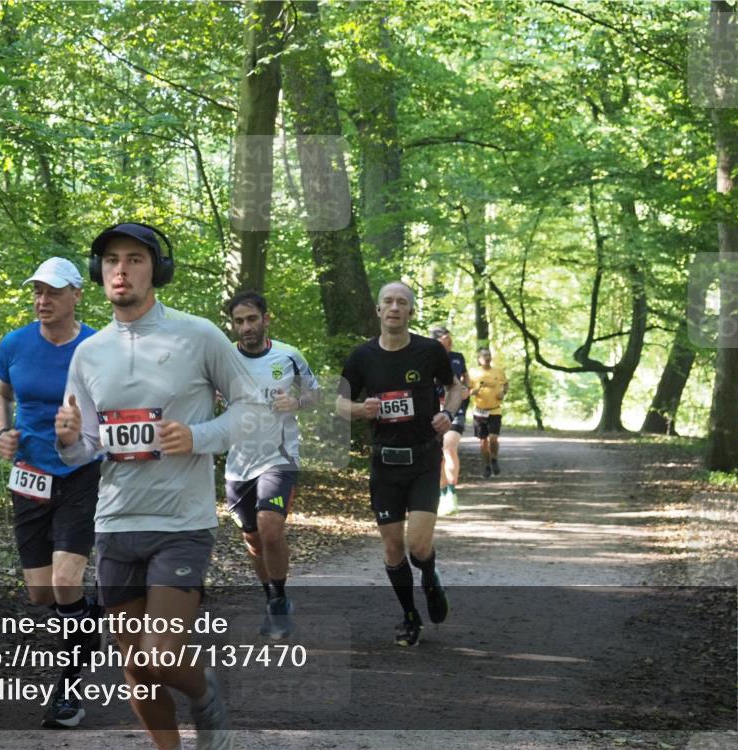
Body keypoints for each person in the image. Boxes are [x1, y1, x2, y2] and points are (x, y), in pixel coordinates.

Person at [57, 222, 261, 750]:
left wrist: (197, 435)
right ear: (99, 274)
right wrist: (67, 442)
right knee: (137, 671)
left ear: (157, 270)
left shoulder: (198, 336)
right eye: (110, 261)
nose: (120, 270)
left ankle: (206, 691)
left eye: (134, 259)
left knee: (160, 654)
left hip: (181, 523)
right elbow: (86, 447)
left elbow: (251, 410)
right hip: (116, 524)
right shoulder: (89, 352)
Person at [0, 256, 102, 728]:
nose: (42, 301)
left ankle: (69, 690)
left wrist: (85, 429)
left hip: (82, 472)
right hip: (30, 474)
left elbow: (124, 404)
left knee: (63, 581)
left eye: (53, 292)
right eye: (37, 292)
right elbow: (1, 393)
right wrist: (1, 433)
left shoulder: (99, 347)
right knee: (40, 593)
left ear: (76, 294)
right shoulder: (14, 344)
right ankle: (86, 619)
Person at [337, 282, 465, 647]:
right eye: (388, 302)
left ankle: (430, 577)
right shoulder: (362, 356)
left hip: (424, 459)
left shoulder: (429, 351)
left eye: (402, 302)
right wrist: (360, 409)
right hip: (384, 464)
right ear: (379, 311)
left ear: (410, 311)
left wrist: (448, 413)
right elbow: (339, 402)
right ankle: (410, 616)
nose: (394, 307)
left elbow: (455, 388)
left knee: (418, 545)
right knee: (393, 548)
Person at [224, 290, 320, 640]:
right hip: (238, 463)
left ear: (266, 319)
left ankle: (280, 599)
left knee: (270, 527)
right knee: (252, 538)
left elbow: (315, 392)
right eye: (239, 321)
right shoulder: (222, 359)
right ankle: (271, 598)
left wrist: (296, 400)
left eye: (251, 319)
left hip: (279, 457)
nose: (246, 327)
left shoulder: (289, 356)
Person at [431, 326, 471, 516]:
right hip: (434, 410)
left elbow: (465, 378)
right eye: (446, 338)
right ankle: (441, 493)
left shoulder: (458, 356)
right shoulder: (427, 357)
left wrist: (466, 388)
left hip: (456, 408)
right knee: (438, 454)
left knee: (449, 447)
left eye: (450, 337)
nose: (450, 340)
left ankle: (451, 493)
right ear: (438, 340)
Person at [468, 347, 509, 478]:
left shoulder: (498, 371)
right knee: (483, 441)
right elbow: (467, 390)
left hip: (495, 409)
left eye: (489, 355)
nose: (487, 357)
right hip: (479, 411)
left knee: (493, 439)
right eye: (484, 355)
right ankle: (486, 466)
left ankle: (494, 459)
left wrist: (503, 392)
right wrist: (474, 391)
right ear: (479, 359)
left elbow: (506, 384)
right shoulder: (473, 372)